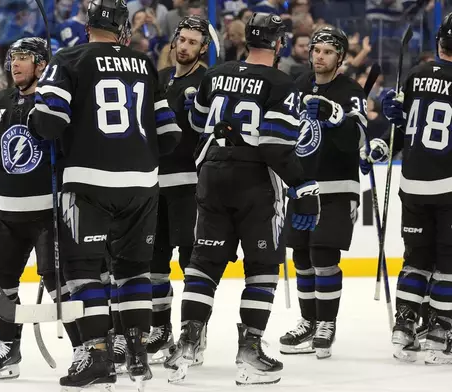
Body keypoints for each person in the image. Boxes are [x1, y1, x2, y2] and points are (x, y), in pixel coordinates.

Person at [28, 0, 181, 389]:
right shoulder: (144, 63)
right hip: (143, 184)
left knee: (84, 272)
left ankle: (97, 355)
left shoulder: (70, 59)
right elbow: (169, 136)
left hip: (88, 182)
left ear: (88, 25)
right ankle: (137, 357)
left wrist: (36, 111)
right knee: (133, 271)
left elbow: (48, 124)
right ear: (122, 28)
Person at [164, 13, 320, 385]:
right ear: (279, 44)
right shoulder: (282, 83)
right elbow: (276, 148)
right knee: (262, 268)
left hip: (213, 175)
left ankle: (187, 344)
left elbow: (199, 122)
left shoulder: (214, 75)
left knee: (204, 264)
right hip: (254, 179)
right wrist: (304, 186)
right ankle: (250, 351)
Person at [0, 37, 82, 380]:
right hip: (6, 215)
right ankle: (7, 349)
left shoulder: (56, 104)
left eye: (23, 58)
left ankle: (84, 350)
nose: (14, 64)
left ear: (42, 65)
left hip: (50, 212)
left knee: (61, 282)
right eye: (12, 58)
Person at [366, 12, 452, 365]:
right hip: (448, 184)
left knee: (416, 257)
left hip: (412, 182)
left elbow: (398, 130)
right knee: (448, 261)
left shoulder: (416, 75)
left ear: (438, 42)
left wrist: (392, 118)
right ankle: (440, 328)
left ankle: (404, 325)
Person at [279, 26, 367, 360]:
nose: (320, 56)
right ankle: (308, 320)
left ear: (340, 57)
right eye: (316, 49)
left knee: (323, 257)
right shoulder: (298, 85)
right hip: (302, 186)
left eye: (328, 51)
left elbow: (356, 141)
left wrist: (335, 116)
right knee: (301, 257)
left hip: (336, 189)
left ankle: (326, 324)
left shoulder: (350, 90)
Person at [147, 15, 208, 365]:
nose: (184, 46)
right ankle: (160, 329)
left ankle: (193, 332)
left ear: (202, 49)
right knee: (154, 262)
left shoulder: (206, 82)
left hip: (191, 186)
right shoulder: (164, 82)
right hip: (157, 186)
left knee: (191, 263)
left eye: (192, 42)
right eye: (181, 40)